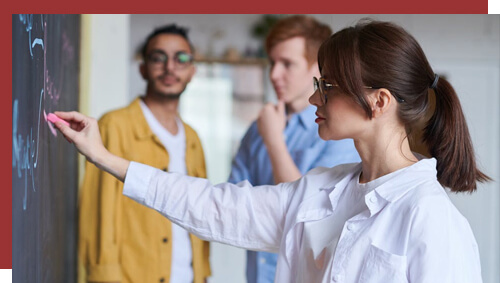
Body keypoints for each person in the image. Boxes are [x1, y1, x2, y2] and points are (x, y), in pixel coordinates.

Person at [56, 19, 489, 283]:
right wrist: (107, 157)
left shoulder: (432, 220)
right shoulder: (320, 189)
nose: (315, 98)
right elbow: (215, 206)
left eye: (328, 86)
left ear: (378, 102)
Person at [228, 15, 360, 283]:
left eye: (287, 64)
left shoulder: (340, 134)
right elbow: (236, 205)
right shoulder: (257, 129)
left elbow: (308, 215)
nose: (275, 74)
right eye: (272, 63)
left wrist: (274, 141)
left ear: (316, 67)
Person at [77, 24, 210, 283]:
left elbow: (199, 209)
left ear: (192, 71)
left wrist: (203, 274)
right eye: (158, 57)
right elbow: (98, 215)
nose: (170, 67)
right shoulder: (115, 125)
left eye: (181, 58)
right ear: (143, 68)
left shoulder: (193, 138)